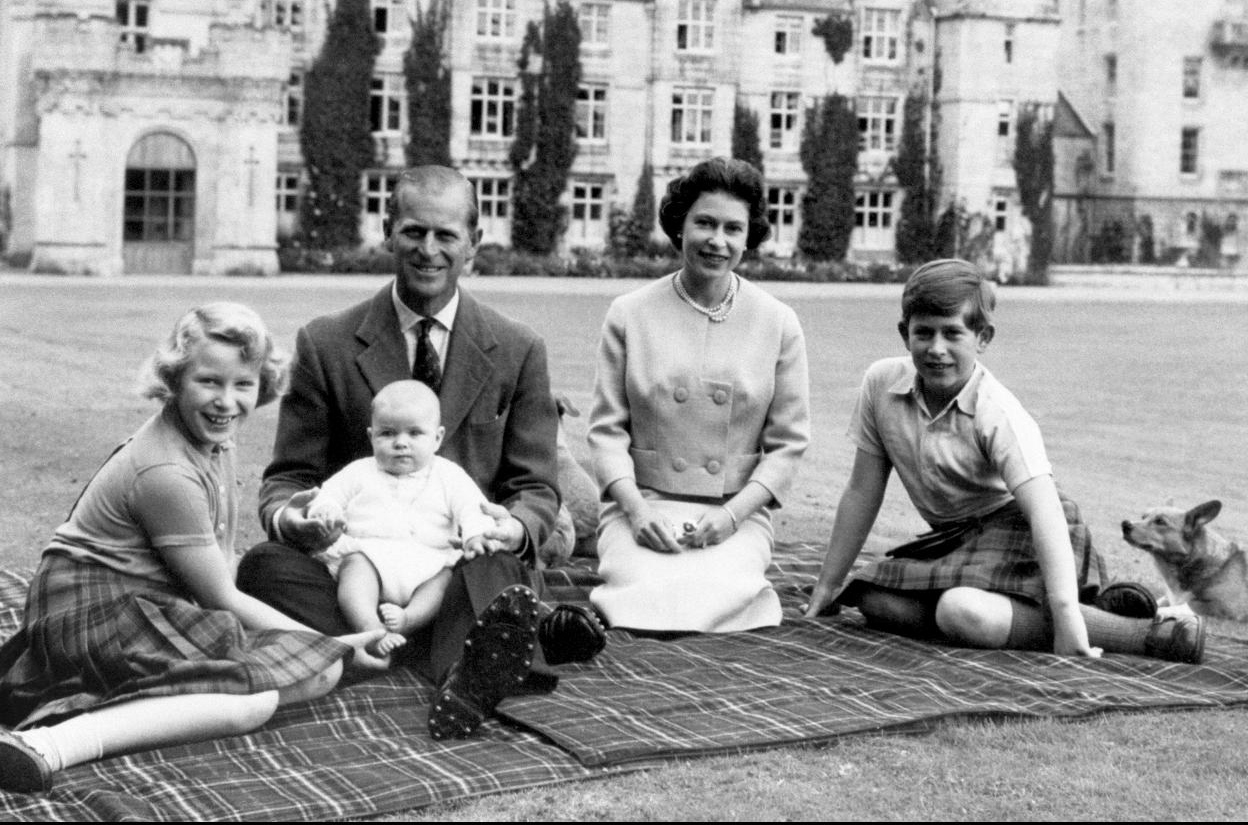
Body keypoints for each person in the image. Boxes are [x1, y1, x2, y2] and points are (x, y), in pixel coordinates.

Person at [236, 165, 605, 740]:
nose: (428, 250)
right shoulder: (326, 342)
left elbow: (535, 487)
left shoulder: (518, 348)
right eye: (413, 232)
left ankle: (422, 650)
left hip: (461, 567)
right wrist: (295, 517)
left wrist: (513, 528)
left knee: (503, 568)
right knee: (263, 568)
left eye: (446, 235)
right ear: (387, 231)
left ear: (474, 244)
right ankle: (482, 653)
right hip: (354, 572)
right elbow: (287, 478)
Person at [0, 303, 381, 795]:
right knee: (259, 696)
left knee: (315, 672)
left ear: (261, 384)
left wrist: (325, 646)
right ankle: (52, 745)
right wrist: (338, 643)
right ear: (175, 380)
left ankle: (140, 705)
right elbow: (223, 597)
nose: (226, 402)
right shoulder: (166, 472)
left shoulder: (215, 440)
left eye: (242, 384)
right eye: (208, 382)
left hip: (144, 604)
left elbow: (218, 561)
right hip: (87, 611)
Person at [802, 258, 1206, 664]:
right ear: (904, 334)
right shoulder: (881, 384)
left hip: (1027, 530)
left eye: (952, 333)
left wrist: (1065, 615)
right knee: (872, 598)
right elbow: (862, 489)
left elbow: (1045, 512)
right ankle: (1088, 608)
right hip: (957, 539)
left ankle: (1148, 632)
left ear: (983, 337)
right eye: (923, 333)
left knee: (960, 611)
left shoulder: (997, 412)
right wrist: (828, 583)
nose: (936, 349)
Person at [587, 157, 810, 632]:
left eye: (733, 228)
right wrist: (637, 510)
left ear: (749, 237)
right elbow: (606, 433)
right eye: (704, 223)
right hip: (644, 504)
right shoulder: (629, 314)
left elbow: (789, 446)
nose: (717, 240)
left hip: (734, 511)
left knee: (715, 597)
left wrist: (732, 516)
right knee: (645, 596)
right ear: (679, 225)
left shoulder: (778, 322)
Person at [308, 380, 495, 652]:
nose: (400, 443)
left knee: (443, 581)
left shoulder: (449, 475)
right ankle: (369, 627)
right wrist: (327, 511)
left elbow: (472, 507)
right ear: (371, 436)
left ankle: (408, 621)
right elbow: (329, 495)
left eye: (415, 433)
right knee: (354, 569)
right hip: (371, 555)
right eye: (387, 433)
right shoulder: (359, 471)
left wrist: (475, 535)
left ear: (438, 438)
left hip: (428, 561)